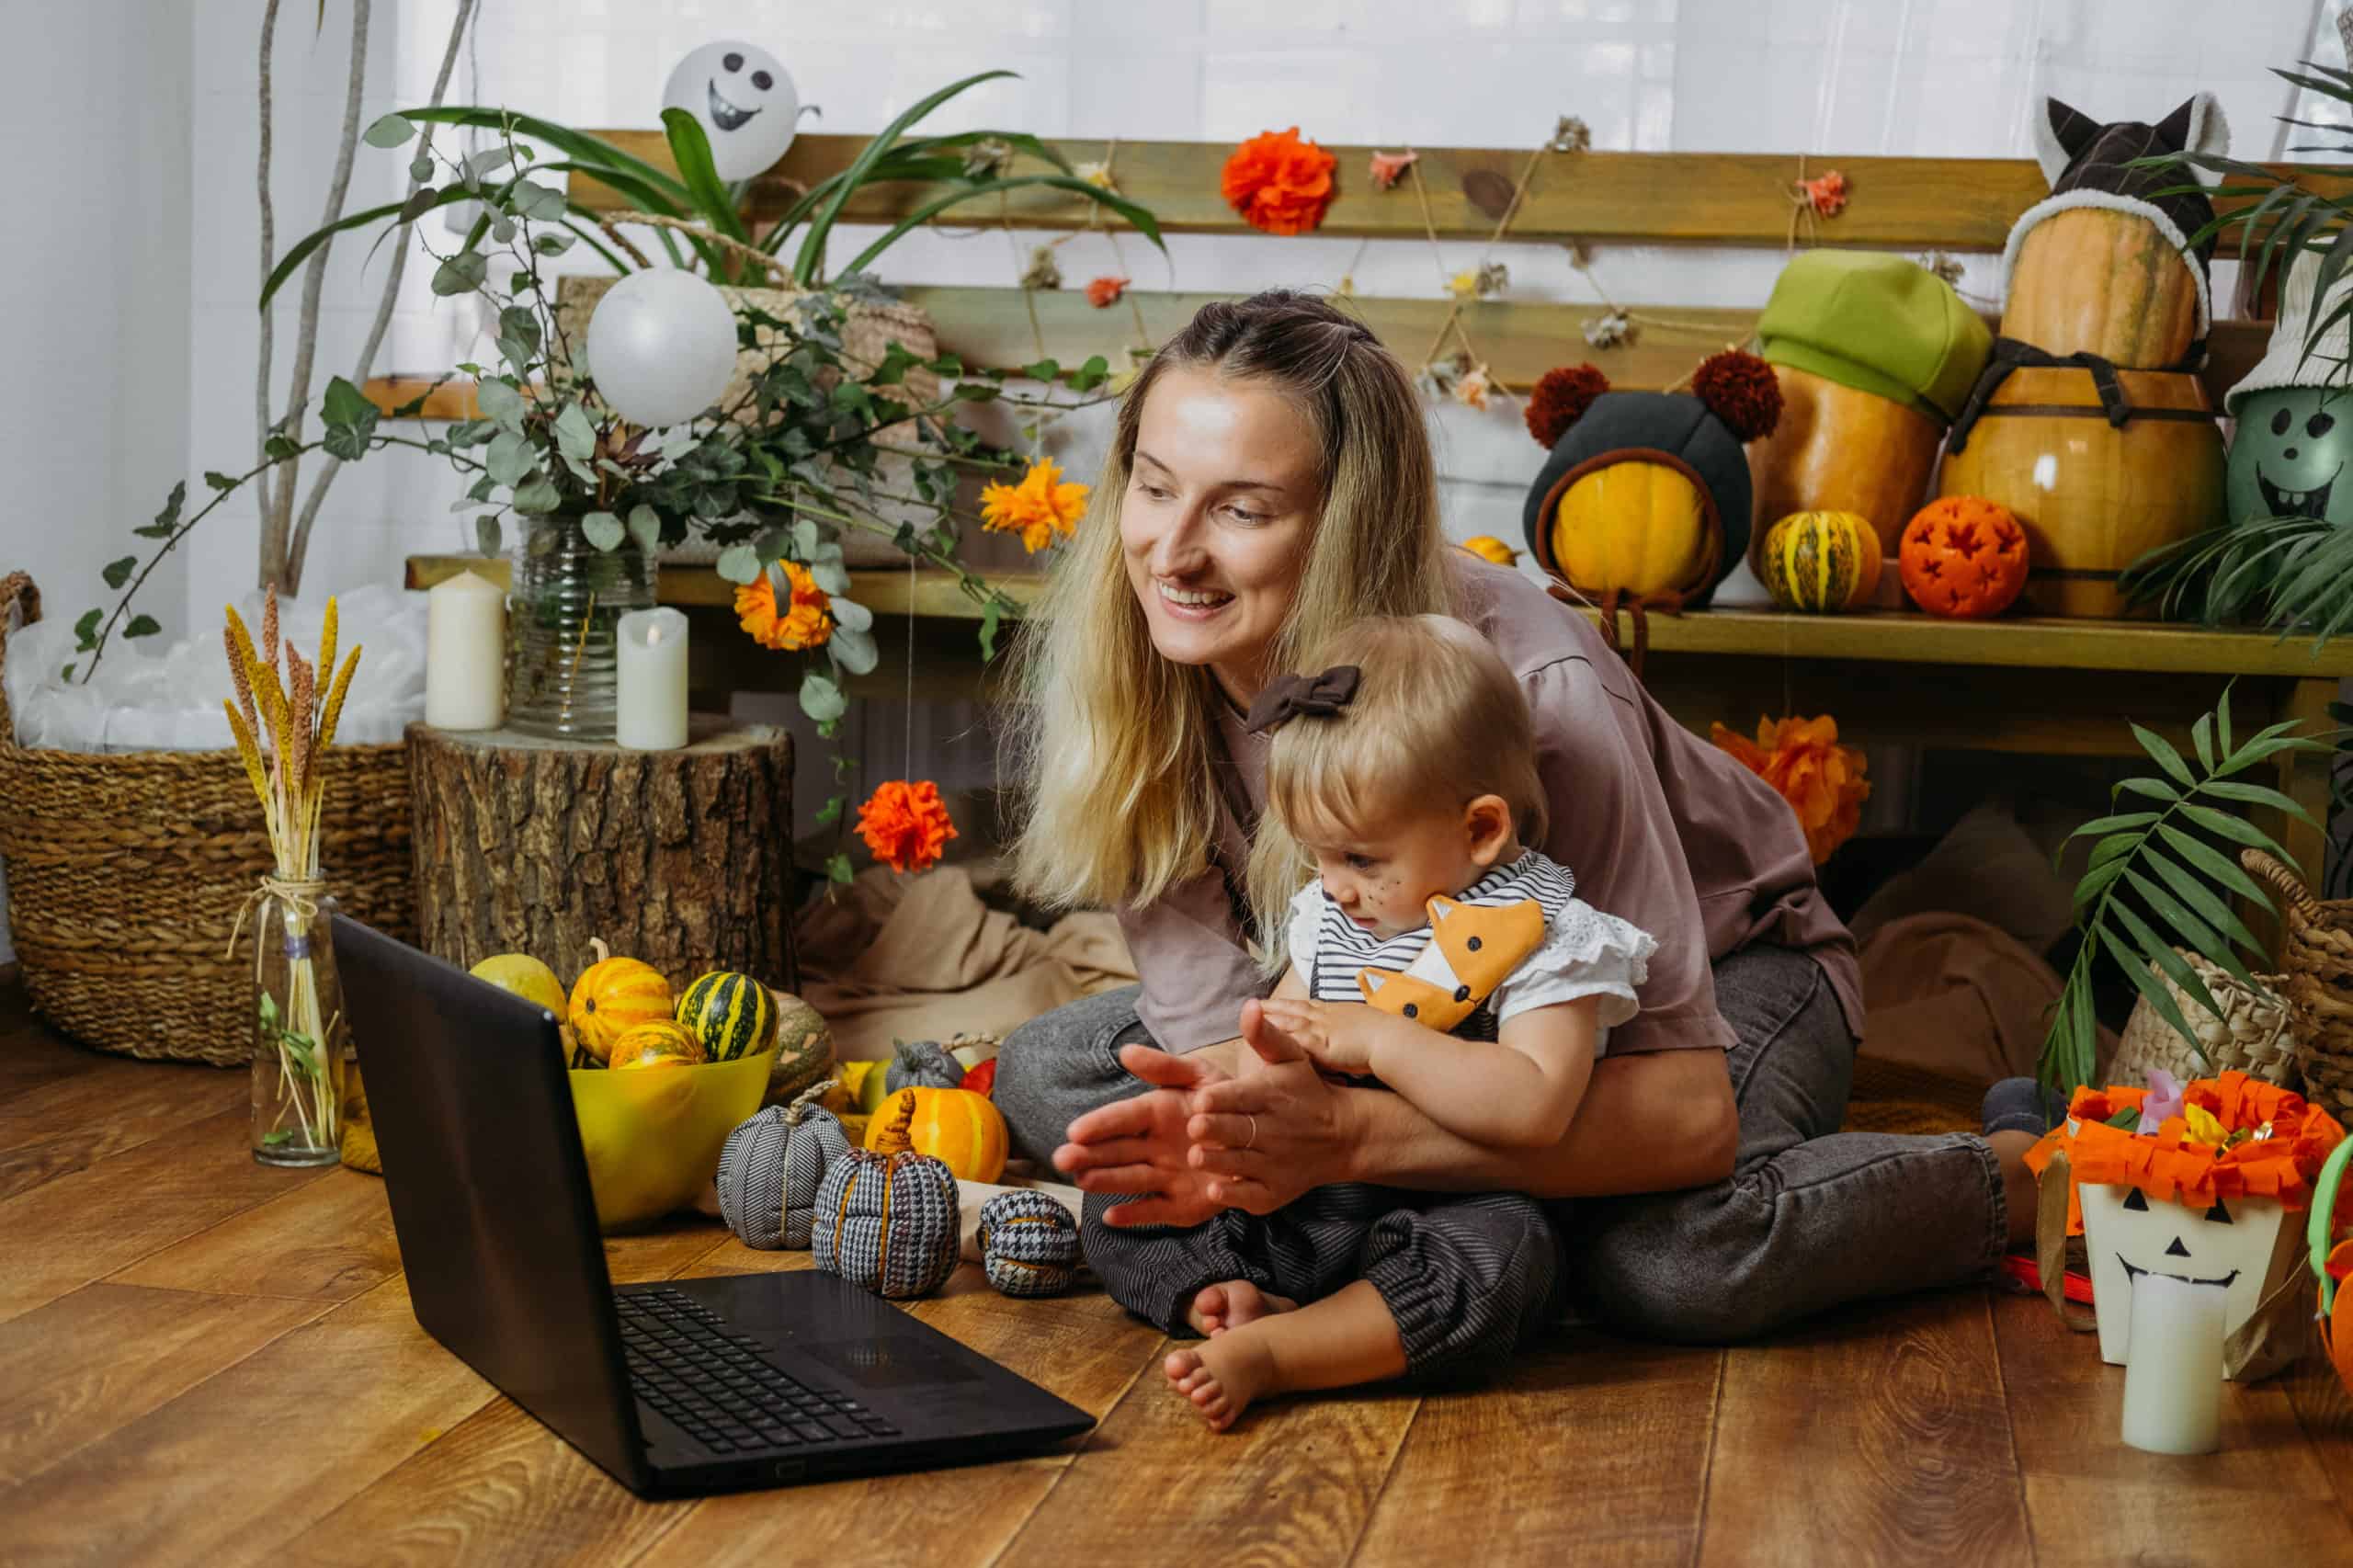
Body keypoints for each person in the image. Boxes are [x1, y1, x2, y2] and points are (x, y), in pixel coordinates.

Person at [996, 289, 2041, 1348]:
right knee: (1054, 1074)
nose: (1169, 553)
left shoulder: (1536, 690)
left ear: (1348, 520)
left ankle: (2013, 1176)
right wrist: (1236, 1115)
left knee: (1672, 1261)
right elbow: (1231, 1031)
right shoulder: (1140, 663)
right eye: (1154, 487)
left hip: (1702, 983)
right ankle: (1492, 1229)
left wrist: (1347, 1137)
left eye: (1241, 511)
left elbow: (1688, 1116)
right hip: (1407, 999)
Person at [1086, 614, 1654, 1429]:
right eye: (1317, 855)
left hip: (1450, 1206)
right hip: (1313, 1199)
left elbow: (1535, 1106)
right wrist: (1220, 1106)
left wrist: (1381, 1039)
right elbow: (1274, 1044)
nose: (1334, 886)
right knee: (1124, 1187)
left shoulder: (1547, 937)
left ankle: (1285, 1353)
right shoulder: (1335, 915)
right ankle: (1227, 1295)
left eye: (1360, 859)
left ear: (1481, 829)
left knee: (1507, 1255)